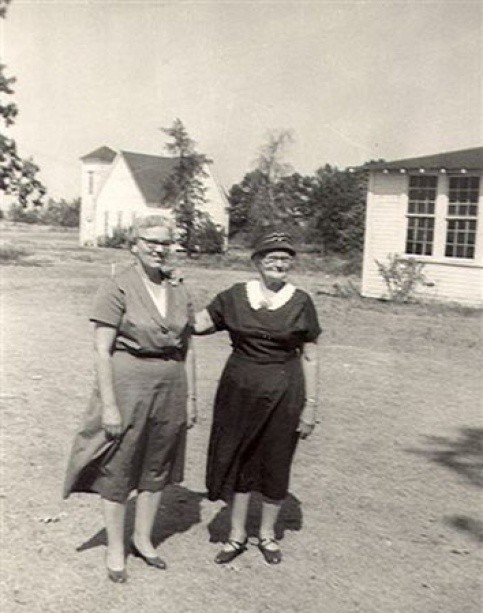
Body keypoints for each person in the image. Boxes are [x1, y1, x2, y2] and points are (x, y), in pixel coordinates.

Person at [63, 214, 197, 583]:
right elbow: (102, 350)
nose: (158, 249)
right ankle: (115, 547)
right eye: (150, 241)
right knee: (120, 465)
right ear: (134, 244)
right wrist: (109, 405)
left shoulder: (180, 288)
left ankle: (143, 539)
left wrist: (191, 397)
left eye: (164, 243)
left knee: (158, 464)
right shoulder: (117, 287)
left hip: (171, 384)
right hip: (128, 383)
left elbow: (188, 346)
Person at [194, 230, 321, 565]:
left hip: (284, 391)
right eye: (272, 257)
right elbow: (197, 324)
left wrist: (311, 406)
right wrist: (170, 293)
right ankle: (236, 536)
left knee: (276, 460)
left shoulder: (301, 301)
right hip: (238, 391)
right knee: (238, 458)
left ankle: (266, 535)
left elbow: (310, 356)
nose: (279, 263)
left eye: (285, 257)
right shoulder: (235, 296)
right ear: (256, 262)